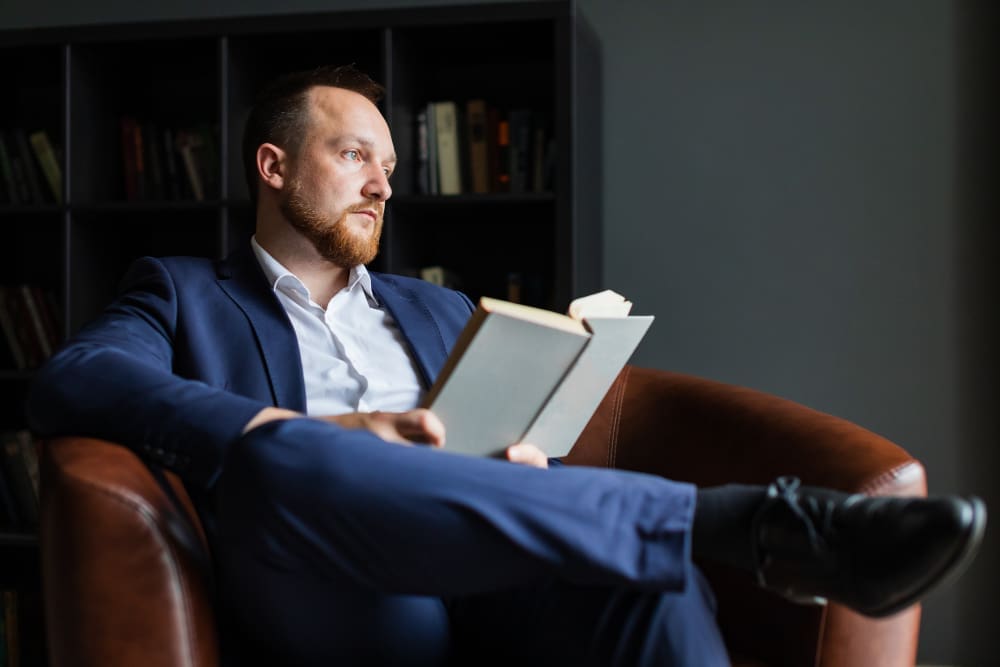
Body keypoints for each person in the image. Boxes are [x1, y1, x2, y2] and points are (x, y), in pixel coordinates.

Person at [27, 65, 986, 666]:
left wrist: (532, 461)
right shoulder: (183, 290)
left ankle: (727, 531)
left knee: (642, 577)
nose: (381, 184)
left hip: (484, 568)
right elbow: (75, 377)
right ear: (274, 167)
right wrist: (281, 430)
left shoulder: (441, 308)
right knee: (285, 461)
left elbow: (521, 453)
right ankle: (747, 523)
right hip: (330, 579)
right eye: (355, 155)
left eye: (391, 169)